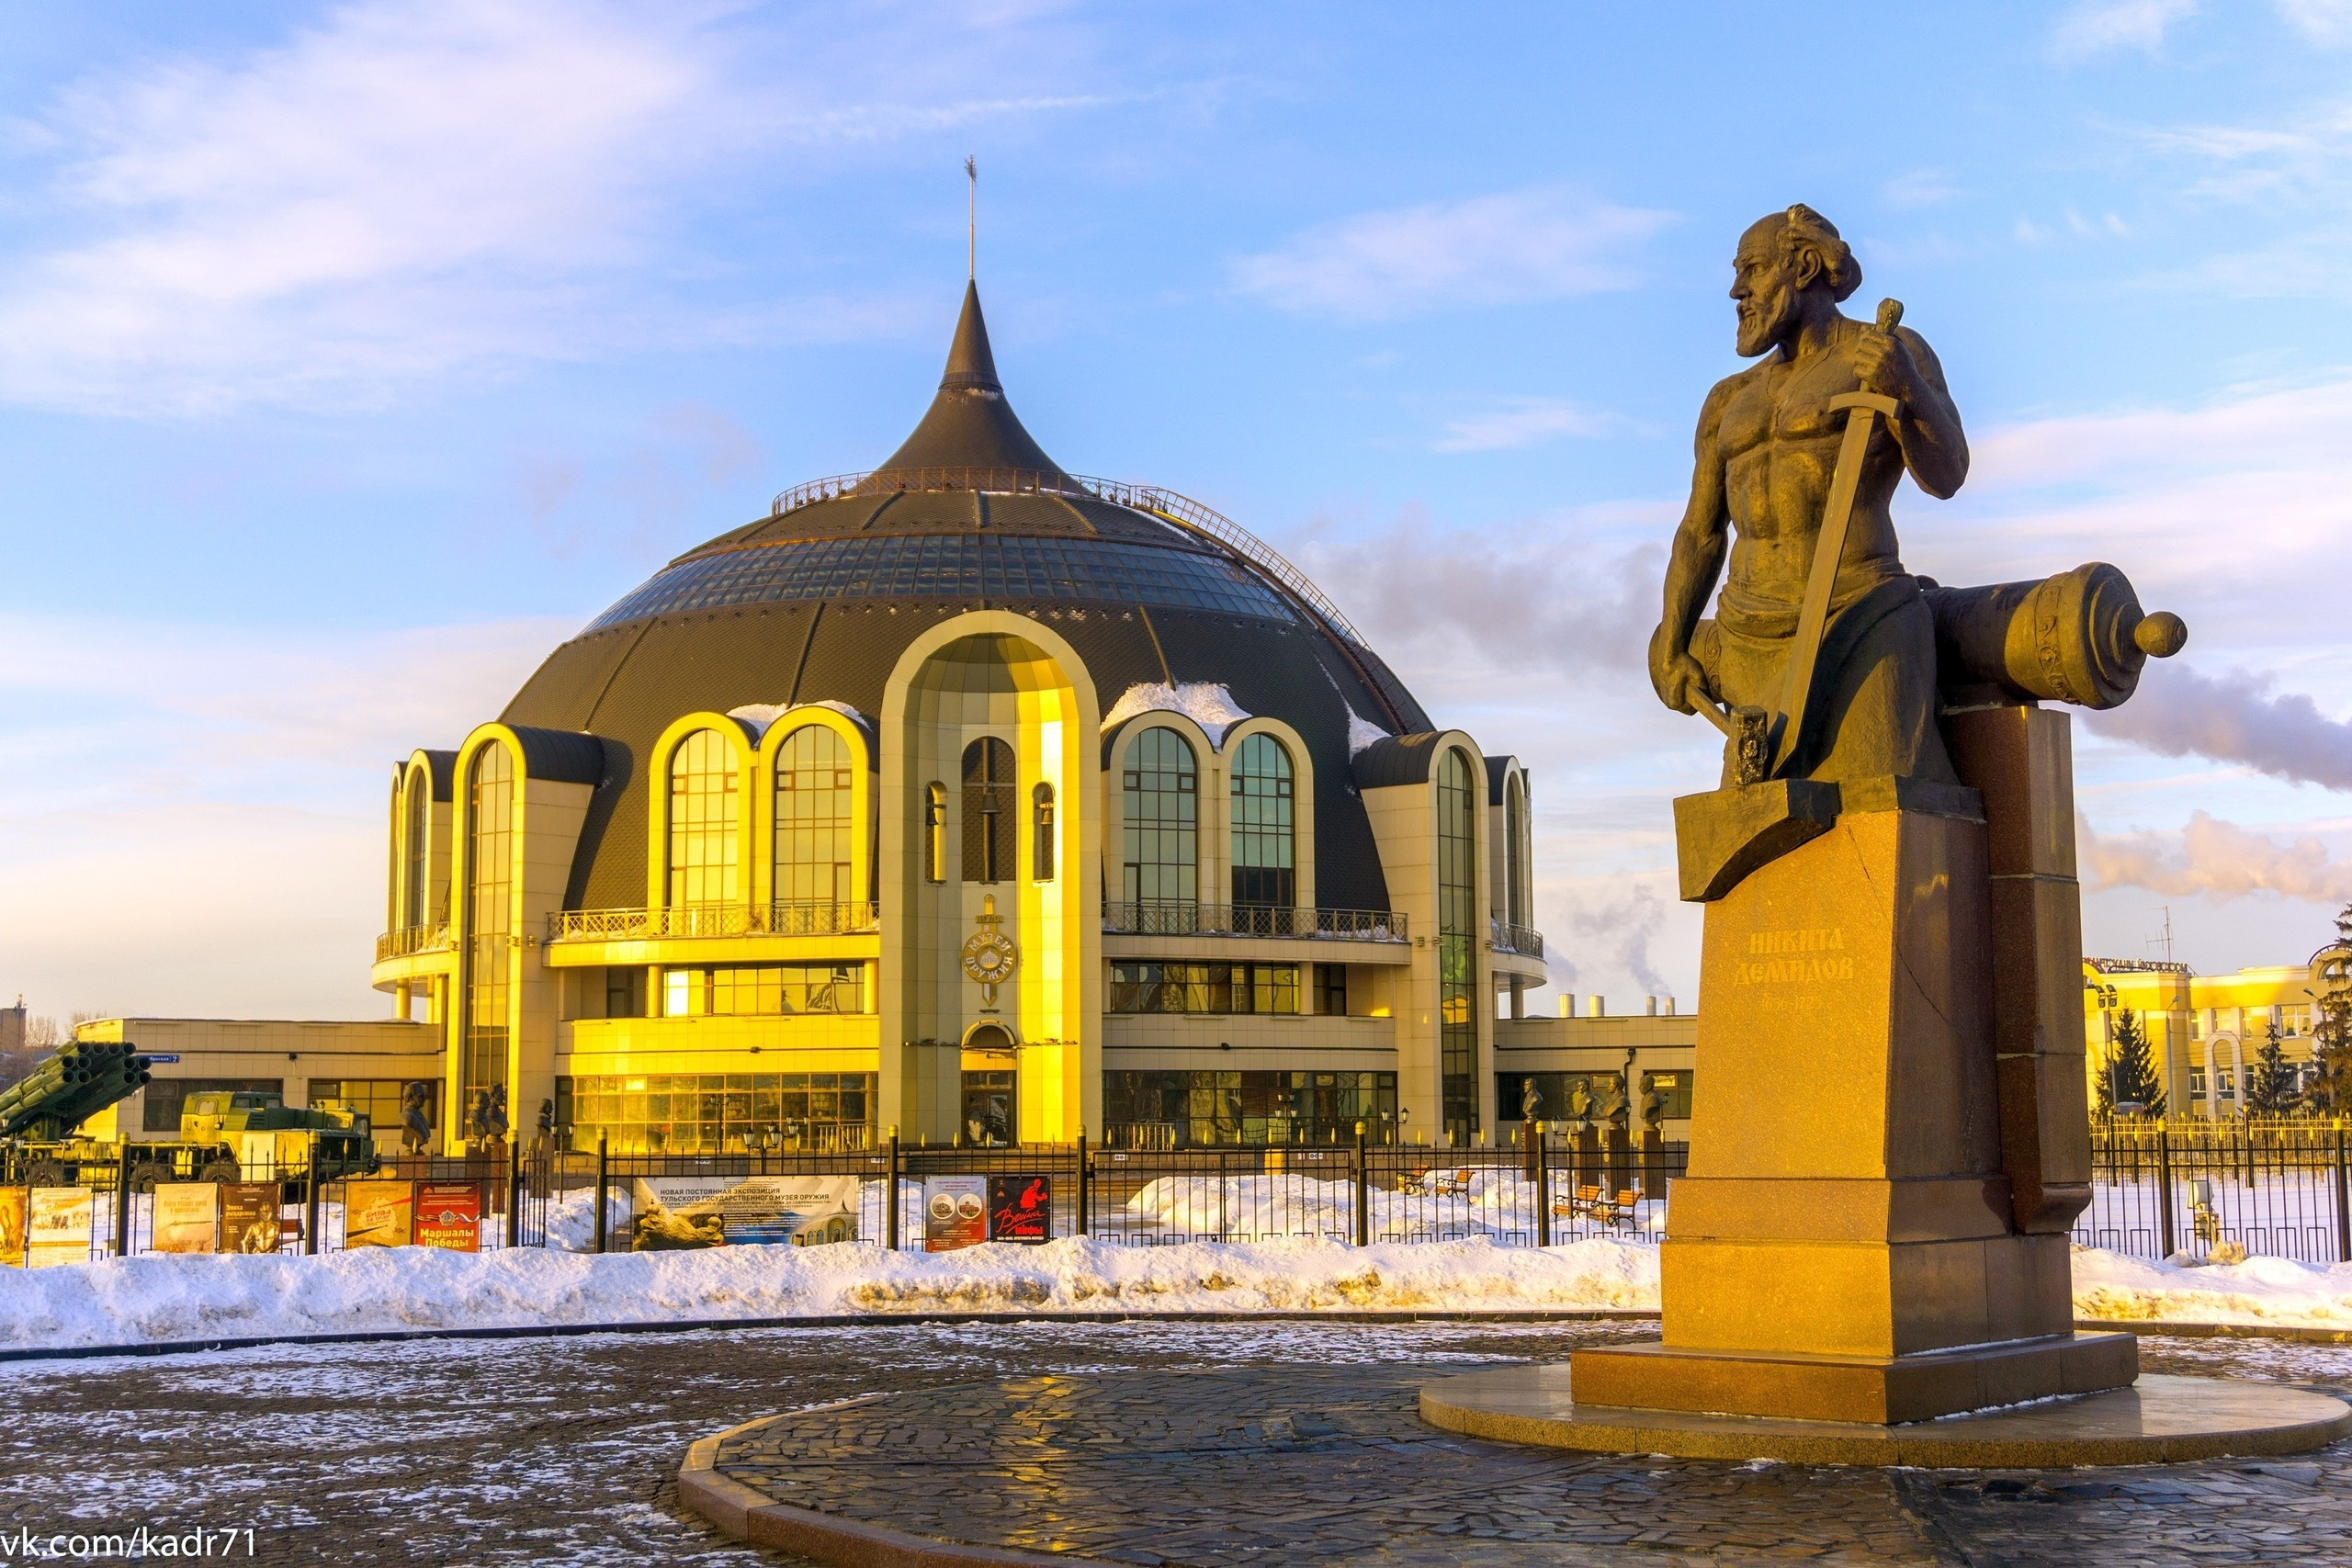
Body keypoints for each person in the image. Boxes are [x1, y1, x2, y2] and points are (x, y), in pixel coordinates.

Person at [1649, 205, 1968, 787]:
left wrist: (1909, 389)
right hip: (1750, 637)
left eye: (1752, 270)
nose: (1736, 291)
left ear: (1802, 266)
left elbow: (1948, 476)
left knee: (1886, 808)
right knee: (1753, 838)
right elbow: (1700, 530)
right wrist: (1672, 640)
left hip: (1858, 615)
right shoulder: (1728, 400)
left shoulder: (1887, 353)